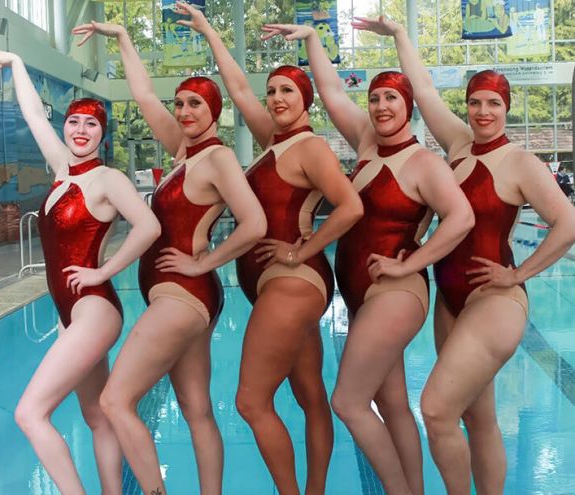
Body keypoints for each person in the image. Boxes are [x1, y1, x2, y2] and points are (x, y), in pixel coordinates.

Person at [355, 15, 575, 495]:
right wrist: (397, 37)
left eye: (493, 103)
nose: (482, 112)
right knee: (478, 415)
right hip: (450, 301)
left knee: (436, 409)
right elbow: (426, 92)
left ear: (506, 108)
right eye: (475, 102)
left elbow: (568, 224)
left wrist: (519, 274)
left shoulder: (520, 162)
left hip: (493, 301)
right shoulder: (457, 146)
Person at [261, 23, 474, 495]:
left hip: (396, 291)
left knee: (348, 402)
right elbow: (333, 91)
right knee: (392, 402)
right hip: (362, 294)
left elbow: (461, 218)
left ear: (409, 107)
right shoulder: (365, 144)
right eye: (375, 98)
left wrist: (408, 265)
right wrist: (311, 39)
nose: (380, 106)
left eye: (391, 99)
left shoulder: (424, 163)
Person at [174, 3, 364, 494]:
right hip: (276, 284)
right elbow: (237, 88)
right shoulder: (273, 143)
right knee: (309, 396)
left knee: (250, 402)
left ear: (307, 100)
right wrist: (209, 30)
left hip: (294, 282)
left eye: (288, 91)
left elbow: (350, 207)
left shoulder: (311, 148)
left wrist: (302, 252)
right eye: (273, 91)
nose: (277, 99)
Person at [72, 21, 267, 495]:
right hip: (183, 296)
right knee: (196, 408)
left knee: (115, 399)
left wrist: (204, 263)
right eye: (179, 103)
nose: (183, 111)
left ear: (214, 110)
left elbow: (255, 223)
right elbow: (142, 96)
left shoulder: (217, 159)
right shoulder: (183, 153)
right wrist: (120, 37)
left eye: (195, 103)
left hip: (184, 294)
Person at [0, 49, 161, 494]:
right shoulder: (62, 170)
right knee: (96, 416)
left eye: (91, 123)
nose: (80, 130)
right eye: (74, 122)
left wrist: (103, 272)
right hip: (69, 314)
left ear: (103, 133)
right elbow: (34, 115)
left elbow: (149, 226)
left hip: (94, 310)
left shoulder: (108, 179)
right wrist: (19, 63)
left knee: (29, 413)